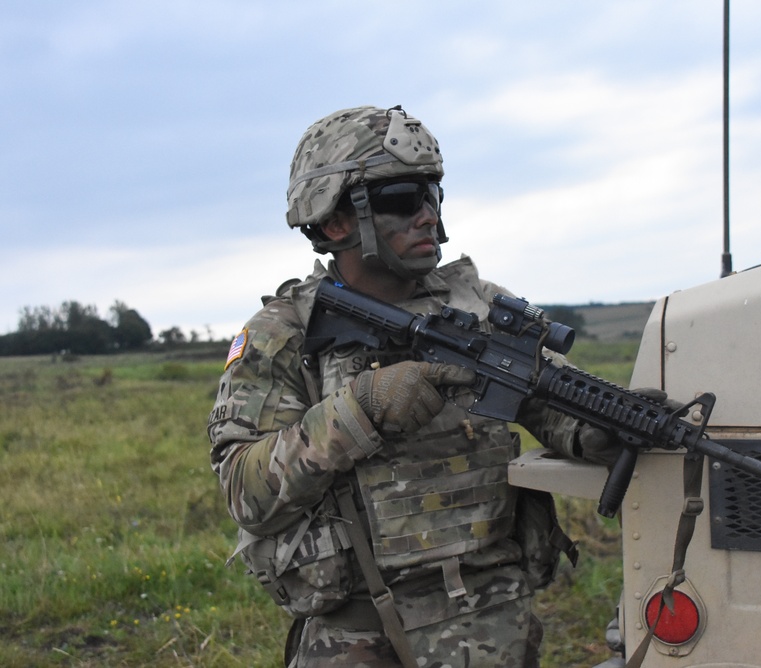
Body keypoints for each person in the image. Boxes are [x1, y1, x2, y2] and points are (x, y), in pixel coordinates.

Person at [208, 105, 632, 667]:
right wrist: (361, 410)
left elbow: (547, 400)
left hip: (490, 616)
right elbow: (245, 492)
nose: (427, 216)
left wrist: (603, 427)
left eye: (432, 196)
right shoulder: (286, 334)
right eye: (402, 200)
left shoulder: (476, 306)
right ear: (336, 222)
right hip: (357, 628)